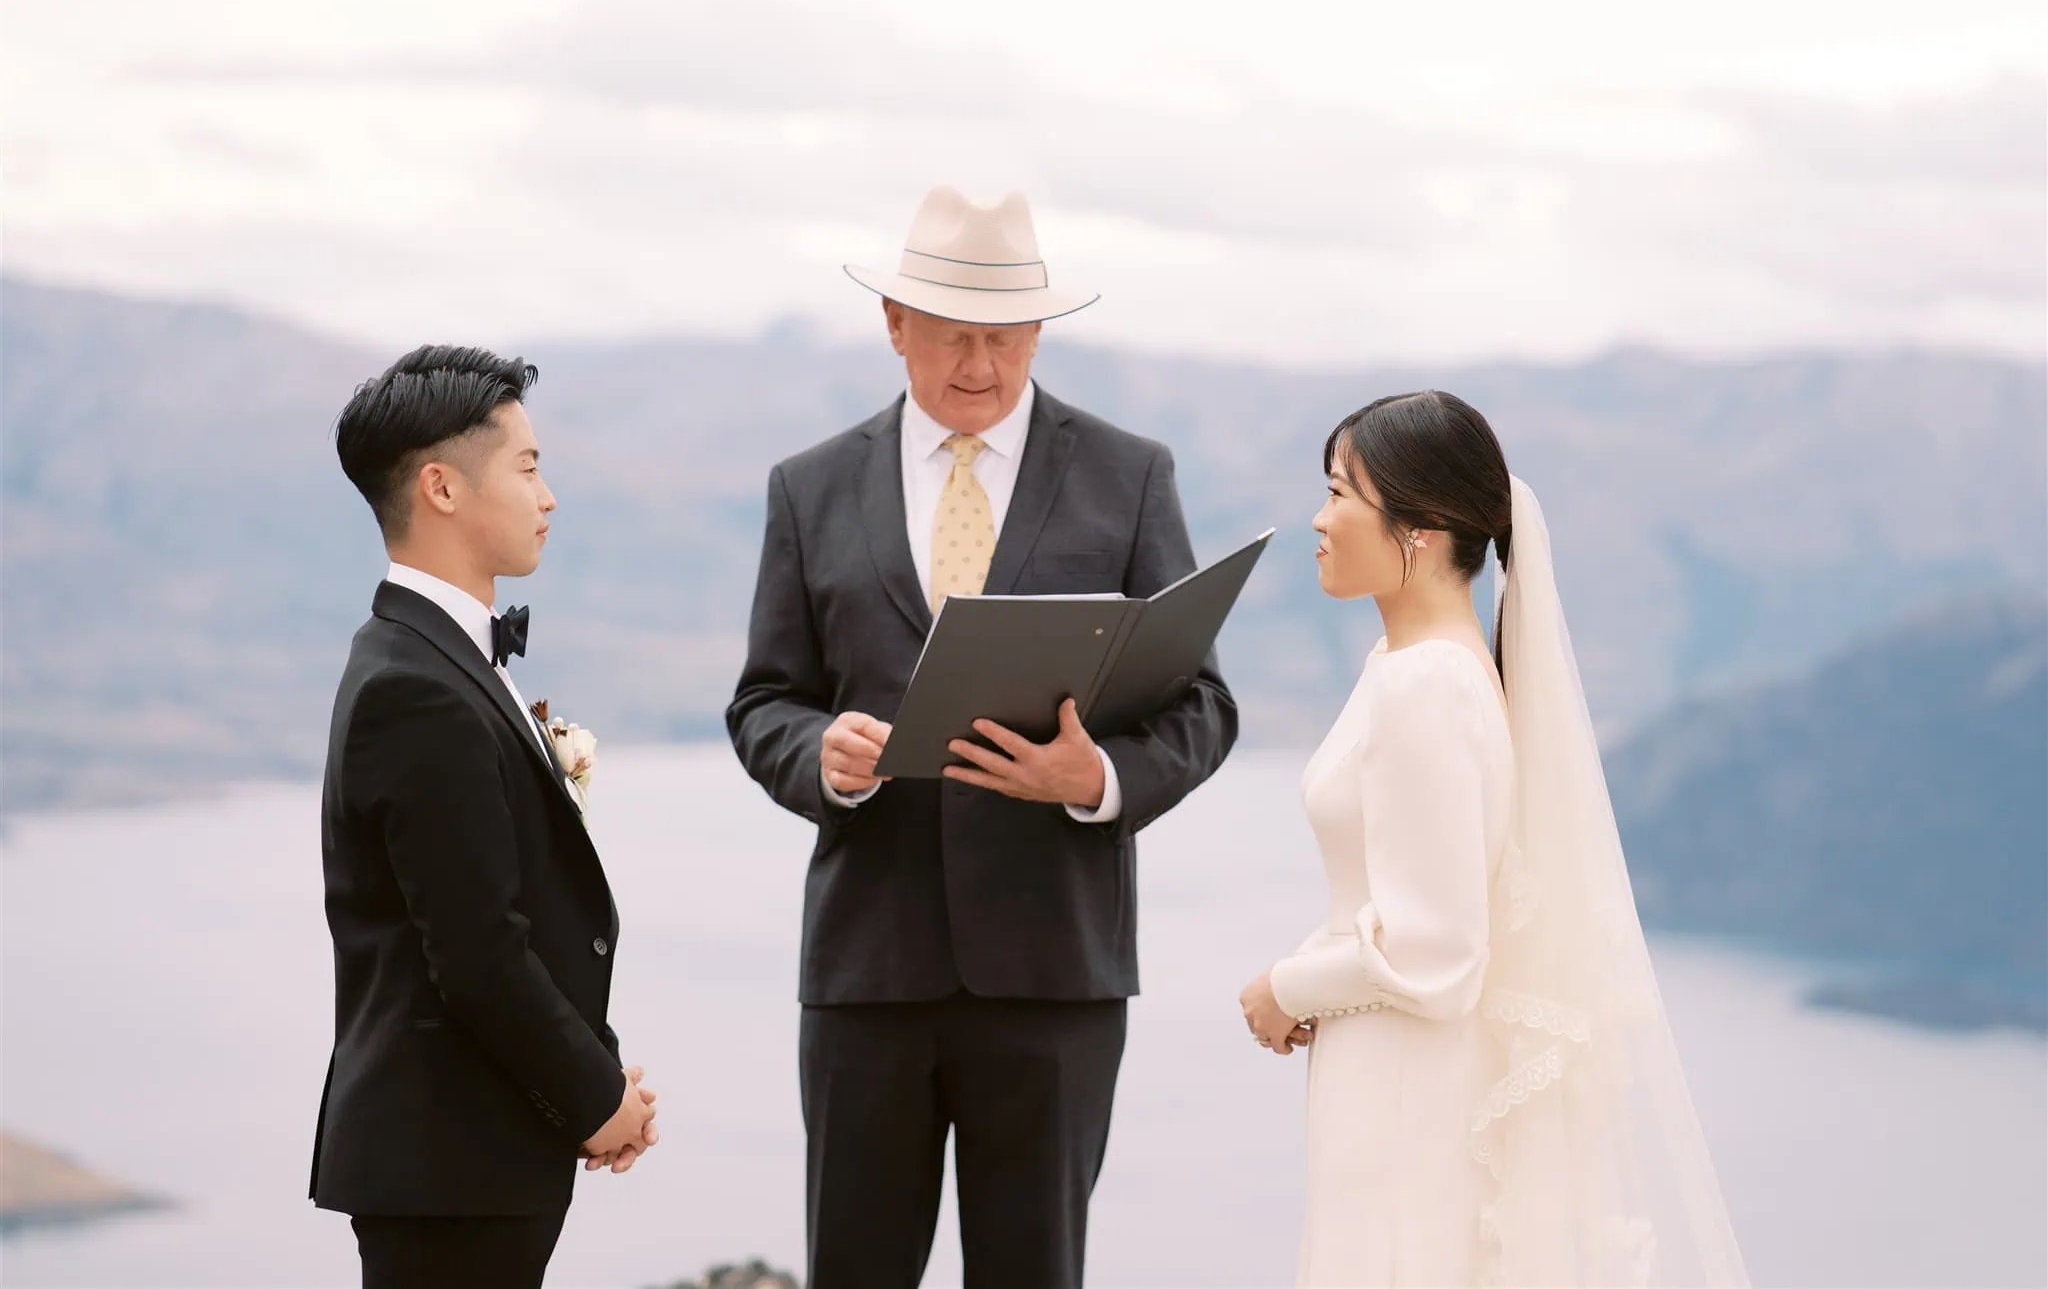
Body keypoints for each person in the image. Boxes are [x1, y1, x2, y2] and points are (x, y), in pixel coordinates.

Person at [727, 186, 1238, 1289]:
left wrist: (1094, 775)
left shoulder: (1127, 475)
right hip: (868, 976)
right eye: (953, 336)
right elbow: (764, 703)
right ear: (894, 324)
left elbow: (1201, 704)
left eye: (1004, 338)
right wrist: (818, 759)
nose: (979, 366)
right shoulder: (808, 490)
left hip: (1055, 975)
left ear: (1039, 333)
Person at [1238, 390, 1747, 1287]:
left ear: (1421, 528)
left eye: (1340, 493)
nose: (1318, 519)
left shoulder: (1426, 685)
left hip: (1404, 1088)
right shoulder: (1423, 668)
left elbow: (1439, 950)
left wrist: (1285, 985)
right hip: (1390, 1065)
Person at [313, 345, 657, 1289]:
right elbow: (476, 954)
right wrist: (597, 1100)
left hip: (475, 1154)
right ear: (442, 488)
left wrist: (604, 1078)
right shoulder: (413, 688)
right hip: (444, 1163)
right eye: (529, 466)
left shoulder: (431, 659)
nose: (549, 496)